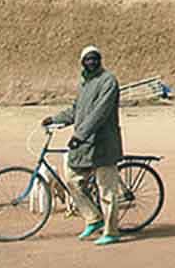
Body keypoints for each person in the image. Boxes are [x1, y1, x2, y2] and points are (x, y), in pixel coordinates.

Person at [42, 46, 124, 246]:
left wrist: (79, 135)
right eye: (87, 59)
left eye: (94, 59)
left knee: (107, 190)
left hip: (104, 144)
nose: (91, 62)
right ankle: (93, 218)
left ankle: (112, 231)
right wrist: (54, 119)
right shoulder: (84, 85)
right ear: (82, 62)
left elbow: (100, 113)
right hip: (85, 145)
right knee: (72, 180)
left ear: (100, 60)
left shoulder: (108, 81)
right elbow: (75, 111)